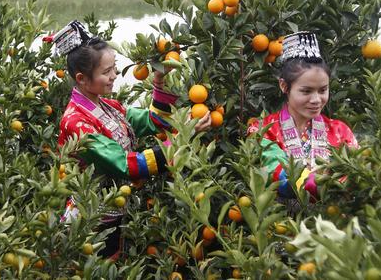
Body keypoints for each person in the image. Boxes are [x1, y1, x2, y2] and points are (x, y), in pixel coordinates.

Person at [52, 20, 211, 258]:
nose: (115, 75)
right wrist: (185, 137)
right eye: (106, 72)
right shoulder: (76, 123)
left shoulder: (108, 107)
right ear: (82, 78)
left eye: (114, 68)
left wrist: (159, 82)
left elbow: (154, 120)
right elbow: (127, 165)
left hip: (115, 211)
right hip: (90, 220)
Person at [247, 31, 358, 201]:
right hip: (280, 225)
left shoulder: (341, 131)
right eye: (306, 91)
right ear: (284, 86)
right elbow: (275, 171)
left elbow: (356, 177)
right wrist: (321, 181)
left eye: (323, 90)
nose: (316, 100)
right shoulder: (262, 131)